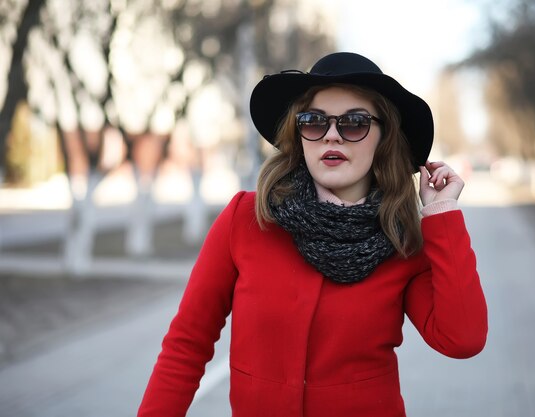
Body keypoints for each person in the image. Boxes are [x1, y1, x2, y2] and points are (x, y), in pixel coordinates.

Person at [137, 52, 488, 417]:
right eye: (314, 121)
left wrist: (441, 213)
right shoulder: (246, 219)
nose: (331, 135)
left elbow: (462, 339)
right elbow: (186, 347)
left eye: (354, 123)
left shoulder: (402, 241)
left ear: (384, 138)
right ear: (299, 132)